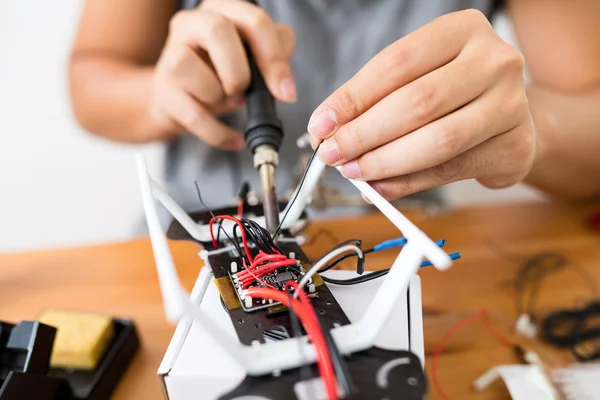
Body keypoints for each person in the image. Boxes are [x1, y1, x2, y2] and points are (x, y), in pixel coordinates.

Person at [69, 0, 600, 215]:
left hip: (402, 253)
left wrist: (533, 127)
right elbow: (90, 76)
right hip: (197, 247)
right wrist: (161, 96)